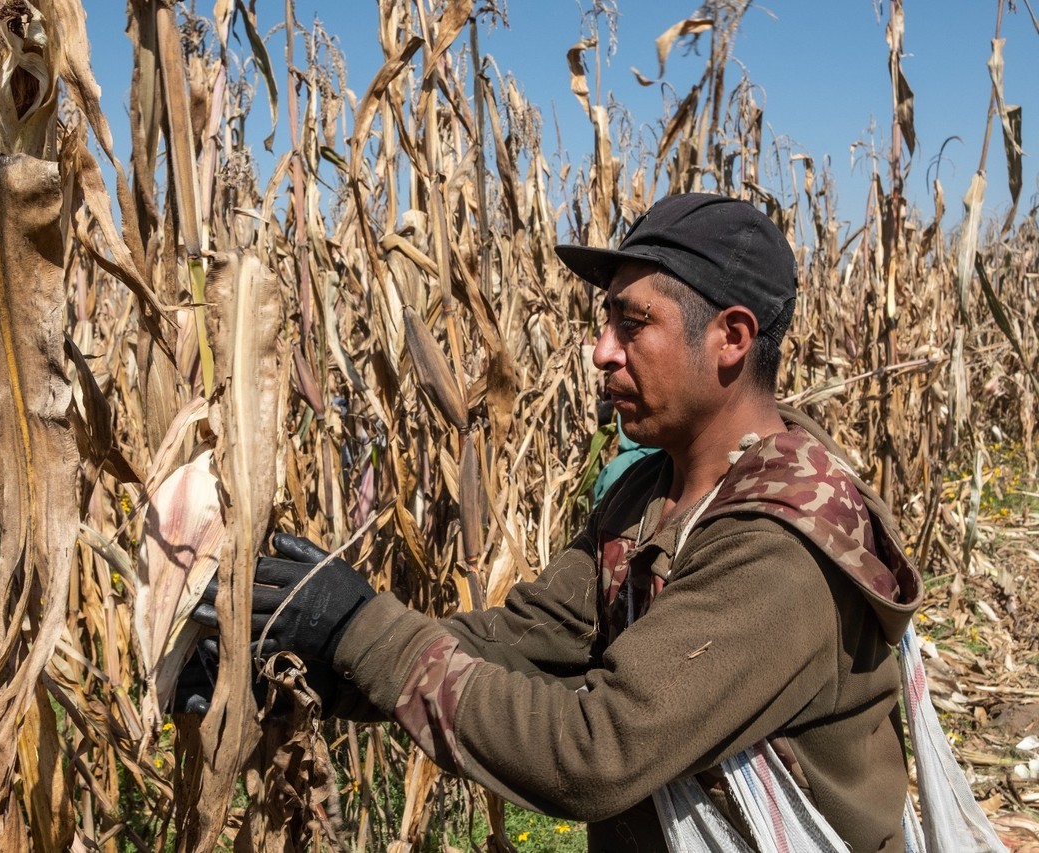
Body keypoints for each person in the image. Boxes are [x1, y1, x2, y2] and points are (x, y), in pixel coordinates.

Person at [187, 193, 923, 851]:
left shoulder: (780, 549)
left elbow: (595, 755)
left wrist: (362, 629)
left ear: (731, 337)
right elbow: (525, 642)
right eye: (605, 322)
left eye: (633, 324)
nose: (601, 352)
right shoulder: (648, 494)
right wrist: (312, 657)